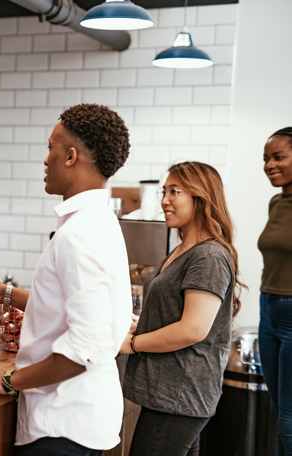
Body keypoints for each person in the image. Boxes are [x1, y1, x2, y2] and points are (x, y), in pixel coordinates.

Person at [0, 103, 132, 456]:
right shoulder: (99, 220)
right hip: (82, 419)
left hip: (62, 425)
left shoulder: (79, 234)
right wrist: (8, 294)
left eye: (50, 148)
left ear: (70, 156)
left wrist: (9, 380)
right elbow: (69, 305)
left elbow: (87, 346)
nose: (45, 160)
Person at [120, 161, 245, 456]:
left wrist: (134, 344)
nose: (164, 199)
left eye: (174, 191)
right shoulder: (183, 249)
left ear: (201, 198)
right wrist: (144, 324)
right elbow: (178, 314)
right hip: (171, 392)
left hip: (180, 394)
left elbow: (192, 329)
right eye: (164, 191)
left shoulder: (209, 255)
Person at [258, 127, 292, 456]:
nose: (269, 164)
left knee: (289, 419)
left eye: (279, 157)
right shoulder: (276, 203)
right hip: (267, 308)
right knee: (279, 411)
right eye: (266, 158)